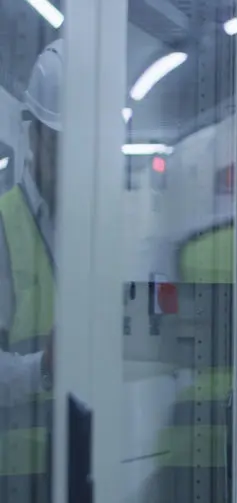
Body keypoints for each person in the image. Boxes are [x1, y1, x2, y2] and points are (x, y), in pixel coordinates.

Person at [0, 38, 61, 503]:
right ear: (34, 134)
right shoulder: (4, 225)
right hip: (17, 482)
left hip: (80, 471)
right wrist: (42, 367)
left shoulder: (98, 231)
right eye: (61, 144)